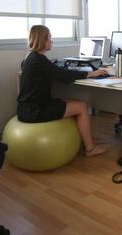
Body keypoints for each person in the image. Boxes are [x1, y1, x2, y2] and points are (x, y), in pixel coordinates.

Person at [17, 25, 108, 157]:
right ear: (42, 40)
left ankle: (87, 138)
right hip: (35, 111)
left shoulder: (29, 57)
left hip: (26, 108)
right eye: (50, 38)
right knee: (82, 107)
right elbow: (63, 76)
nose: (51, 41)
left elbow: (56, 73)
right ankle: (90, 148)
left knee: (70, 101)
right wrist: (91, 74)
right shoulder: (39, 60)